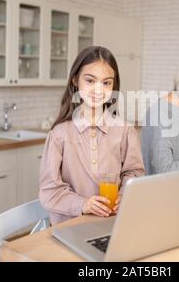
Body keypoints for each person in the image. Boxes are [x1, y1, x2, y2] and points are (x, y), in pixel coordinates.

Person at [39, 46, 145, 225]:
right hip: (69, 229)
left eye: (106, 83)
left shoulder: (125, 131)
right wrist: (83, 204)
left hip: (113, 225)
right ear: (75, 80)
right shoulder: (60, 134)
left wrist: (124, 195)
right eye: (90, 81)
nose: (98, 90)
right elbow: (50, 191)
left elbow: (134, 172)